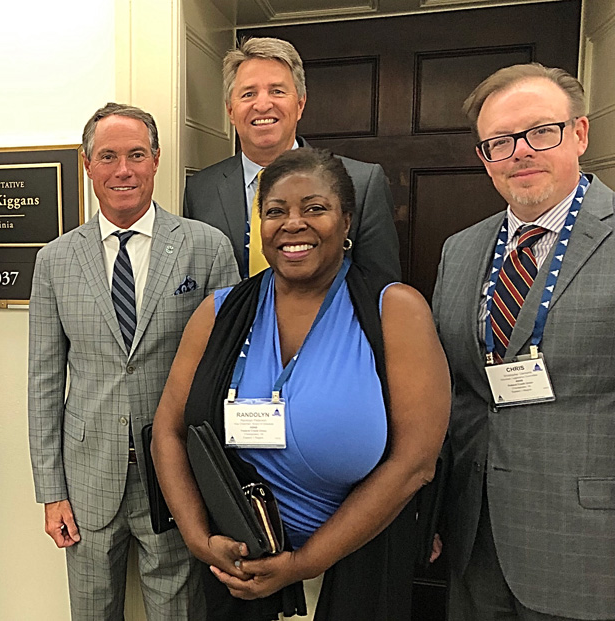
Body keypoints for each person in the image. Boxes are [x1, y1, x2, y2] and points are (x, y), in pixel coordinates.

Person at [153, 147, 449, 620]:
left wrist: (302, 564)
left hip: (354, 570)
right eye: (275, 212)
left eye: (315, 208)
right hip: (237, 574)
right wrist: (199, 539)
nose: (294, 224)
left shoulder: (395, 311)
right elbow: (168, 431)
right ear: (259, 227)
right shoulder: (217, 312)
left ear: (347, 222)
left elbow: (415, 464)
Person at [28, 102, 239, 620]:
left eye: (136, 155)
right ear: (87, 164)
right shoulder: (55, 259)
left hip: (176, 475)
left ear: (156, 160)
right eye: (109, 156)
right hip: (86, 480)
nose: (123, 170)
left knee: (177, 610)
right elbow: (44, 383)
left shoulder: (205, 248)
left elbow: (230, 368)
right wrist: (51, 492)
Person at [431, 63, 615, 620]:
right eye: (500, 142)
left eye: (541, 131)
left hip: (587, 545)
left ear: (579, 133)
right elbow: (451, 392)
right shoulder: (460, 250)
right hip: (472, 540)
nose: (520, 152)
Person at [183, 37, 399, 287]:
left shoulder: (362, 183)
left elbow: (381, 289)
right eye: (248, 93)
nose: (262, 105)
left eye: (277, 91)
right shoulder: (200, 191)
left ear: (300, 104)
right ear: (231, 111)